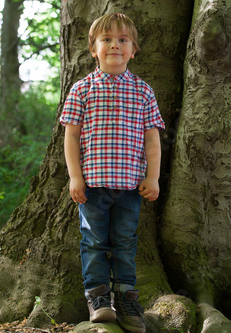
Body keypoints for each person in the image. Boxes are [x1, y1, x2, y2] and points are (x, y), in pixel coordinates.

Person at [60, 12, 165, 333]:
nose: (114, 46)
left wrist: (153, 177)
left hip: (131, 187)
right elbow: (71, 137)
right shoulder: (82, 89)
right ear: (93, 49)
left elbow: (152, 142)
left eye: (122, 40)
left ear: (134, 49)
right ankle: (98, 299)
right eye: (106, 40)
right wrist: (75, 177)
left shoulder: (143, 91)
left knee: (124, 242)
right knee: (92, 242)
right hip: (91, 186)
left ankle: (128, 301)